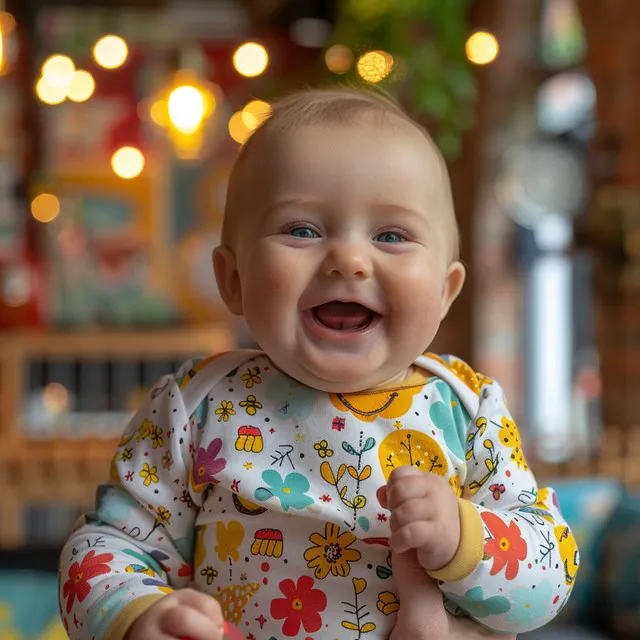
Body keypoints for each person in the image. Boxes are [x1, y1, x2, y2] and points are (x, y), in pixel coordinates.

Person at [59, 88, 578, 640]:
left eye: (391, 235)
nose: (350, 260)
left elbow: (551, 572)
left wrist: (464, 539)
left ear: (445, 292)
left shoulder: (465, 410)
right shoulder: (198, 405)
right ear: (233, 280)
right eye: (302, 230)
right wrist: (138, 615)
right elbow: (106, 545)